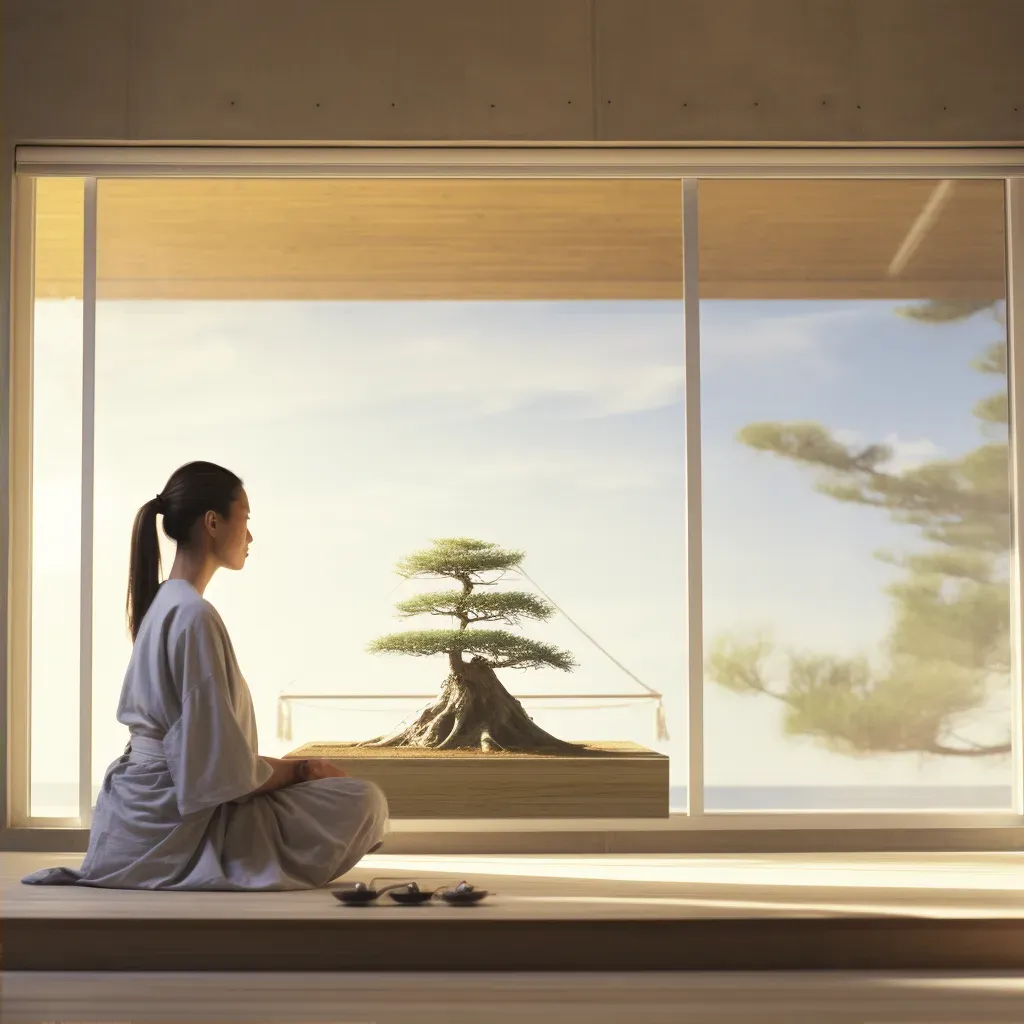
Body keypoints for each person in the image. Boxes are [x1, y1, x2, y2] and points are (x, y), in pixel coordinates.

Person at [23, 460, 388, 891]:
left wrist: (294, 773)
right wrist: (304, 770)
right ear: (213, 522)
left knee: (345, 798)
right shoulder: (192, 615)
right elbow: (219, 778)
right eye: (246, 519)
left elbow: (211, 761)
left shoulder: (165, 604)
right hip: (177, 825)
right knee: (365, 801)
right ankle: (229, 860)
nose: (250, 536)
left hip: (138, 810)